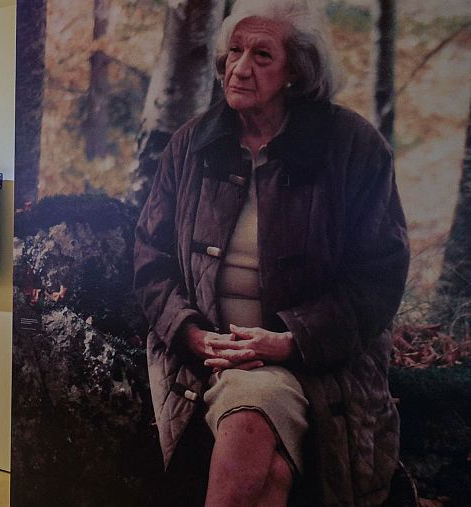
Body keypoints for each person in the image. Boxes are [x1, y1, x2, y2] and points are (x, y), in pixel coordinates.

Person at [133, 0, 410, 505]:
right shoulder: (190, 144)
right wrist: (192, 333)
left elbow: (379, 278)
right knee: (271, 468)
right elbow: (151, 260)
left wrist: (289, 340)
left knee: (254, 403)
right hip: (206, 353)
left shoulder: (354, 147)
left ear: (296, 71)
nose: (239, 69)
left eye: (262, 56)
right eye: (234, 52)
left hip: (317, 363)